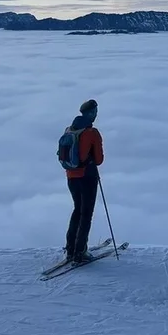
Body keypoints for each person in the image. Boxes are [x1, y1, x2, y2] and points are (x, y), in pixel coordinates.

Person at [62, 99, 104, 263]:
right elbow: (99, 160)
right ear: (92, 113)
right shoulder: (92, 133)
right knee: (86, 214)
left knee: (77, 210)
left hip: (71, 176)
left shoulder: (69, 130)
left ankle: (71, 248)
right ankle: (80, 252)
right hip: (88, 177)